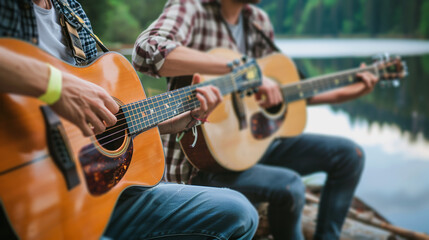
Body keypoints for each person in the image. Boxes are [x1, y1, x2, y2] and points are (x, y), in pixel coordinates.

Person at [0, 0, 259, 239]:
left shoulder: (70, 10)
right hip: (26, 200)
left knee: (238, 212)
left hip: (94, 193)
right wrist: (56, 86)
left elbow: (103, 122)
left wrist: (167, 123)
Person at [132, 0, 379, 239]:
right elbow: (147, 51)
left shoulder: (258, 21)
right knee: (290, 185)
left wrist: (340, 95)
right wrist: (239, 70)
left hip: (251, 146)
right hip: (203, 162)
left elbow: (276, 93)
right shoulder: (191, 7)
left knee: (349, 155)